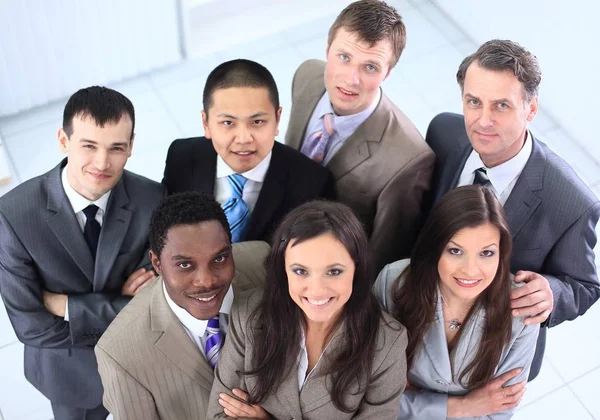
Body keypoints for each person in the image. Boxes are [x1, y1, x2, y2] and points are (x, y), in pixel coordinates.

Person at [425, 39, 600, 380]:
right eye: (473, 102)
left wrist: (553, 293)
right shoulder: (444, 133)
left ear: (531, 109)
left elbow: (585, 285)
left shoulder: (572, 202)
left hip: (494, 351)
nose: (483, 121)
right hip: (424, 316)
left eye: (501, 106)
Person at [0, 86, 164, 420]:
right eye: (88, 146)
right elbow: (30, 326)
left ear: (131, 146)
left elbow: (155, 302)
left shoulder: (153, 198)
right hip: (68, 375)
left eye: (116, 148)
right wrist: (119, 302)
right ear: (63, 140)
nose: (102, 163)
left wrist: (67, 306)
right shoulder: (13, 215)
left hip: (140, 364)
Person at [206, 200, 407, 420]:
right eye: (301, 271)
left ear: (356, 269)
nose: (317, 289)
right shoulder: (249, 314)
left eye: (334, 272)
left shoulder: (387, 341)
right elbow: (219, 414)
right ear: (284, 270)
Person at [285, 0, 434, 272]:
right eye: (344, 57)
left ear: (388, 72)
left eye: (370, 67)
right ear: (327, 49)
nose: (351, 79)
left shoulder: (408, 160)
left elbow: (383, 258)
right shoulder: (306, 76)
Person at [95, 192, 270, 420]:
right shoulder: (121, 356)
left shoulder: (265, 264)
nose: (206, 281)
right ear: (157, 263)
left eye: (219, 259)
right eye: (185, 264)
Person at [374, 185, 539, 419]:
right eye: (455, 251)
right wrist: (464, 407)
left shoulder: (522, 308)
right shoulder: (394, 282)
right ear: (436, 248)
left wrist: (414, 400)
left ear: (501, 253)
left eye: (486, 253)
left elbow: (498, 411)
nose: (470, 270)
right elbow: (371, 392)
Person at [162, 59, 334, 243]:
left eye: (257, 122)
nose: (243, 139)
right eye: (228, 123)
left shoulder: (313, 184)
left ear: (277, 119)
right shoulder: (181, 157)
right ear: (206, 123)